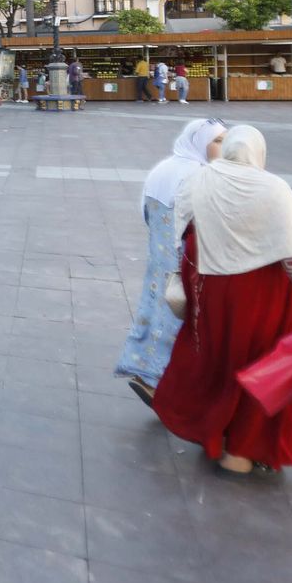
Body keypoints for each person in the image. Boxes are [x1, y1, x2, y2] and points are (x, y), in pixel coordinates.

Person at [154, 126, 292, 475]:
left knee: (218, 362)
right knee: (260, 368)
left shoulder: (199, 181)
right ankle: (241, 451)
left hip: (212, 292)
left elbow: (185, 236)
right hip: (263, 297)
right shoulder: (273, 189)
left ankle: (216, 435)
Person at [114, 118, 227, 405]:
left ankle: (144, 370)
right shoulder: (201, 176)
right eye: (217, 141)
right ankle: (164, 384)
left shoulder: (162, 169)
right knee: (184, 323)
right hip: (187, 262)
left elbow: (145, 212)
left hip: (158, 260)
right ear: (200, 143)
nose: (223, 147)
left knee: (154, 312)